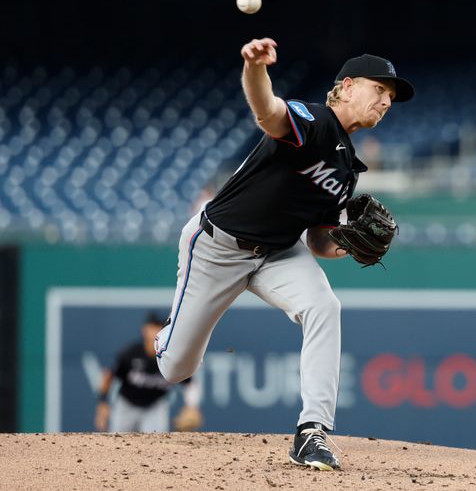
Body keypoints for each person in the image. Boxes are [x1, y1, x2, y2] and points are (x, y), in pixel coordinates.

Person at [153, 37, 414, 471]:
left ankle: (312, 433)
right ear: (347, 86)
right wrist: (255, 68)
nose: (386, 102)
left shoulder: (348, 170)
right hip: (219, 246)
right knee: (176, 369)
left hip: (279, 251)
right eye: (379, 89)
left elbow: (315, 241)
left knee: (324, 308)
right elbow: (268, 112)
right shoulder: (313, 120)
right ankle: (167, 336)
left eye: (391, 97)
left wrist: (345, 245)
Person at [94, 311, 202, 433]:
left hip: (154, 406)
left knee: (155, 445)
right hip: (127, 405)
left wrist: (192, 407)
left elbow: (189, 383)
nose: (155, 332)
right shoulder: (131, 353)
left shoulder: (170, 357)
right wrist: (102, 403)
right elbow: (109, 376)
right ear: (144, 330)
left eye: (159, 328)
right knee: (118, 443)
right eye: (152, 327)